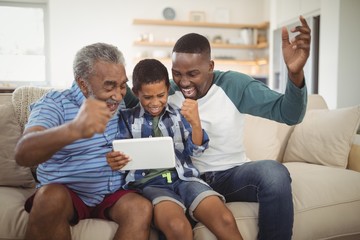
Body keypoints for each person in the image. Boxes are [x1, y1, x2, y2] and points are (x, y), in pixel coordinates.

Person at [166, 16, 311, 240]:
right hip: (187, 179)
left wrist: (295, 74)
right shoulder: (164, 91)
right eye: (177, 73)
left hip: (231, 175)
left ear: (210, 66)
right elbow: (127, 100)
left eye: (192, 73)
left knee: (274, 173)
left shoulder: (234, 85)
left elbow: (290, 114)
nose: (183, 82)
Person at [14, 43, 152, 240]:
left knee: (140, 208)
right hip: (67, 193)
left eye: (122, 85)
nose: (118, 94)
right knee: (49, 198)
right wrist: (74, 129)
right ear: (82, 83)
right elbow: (23, 152)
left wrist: (127, 158)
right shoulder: (55, 103)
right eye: (109, 85)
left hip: (113, 191)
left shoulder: (123, 104)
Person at [106, 59, 243, 240]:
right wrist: (114, 159)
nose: (155, 102)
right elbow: (119, 153)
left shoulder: (178, 115)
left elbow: (196, 151)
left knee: (225, 219)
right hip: (152, 185)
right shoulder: (125, 119)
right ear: (136, 92)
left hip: (186, 179)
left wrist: (195, 123)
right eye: (148, 97)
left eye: (161, 95)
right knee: (178, 227)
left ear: (168, 90)